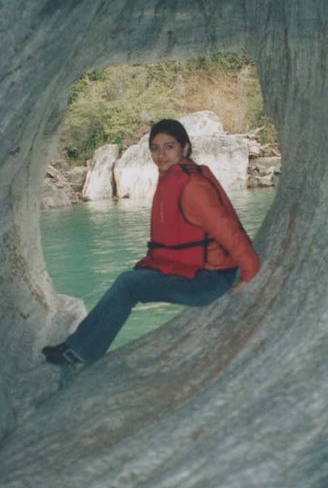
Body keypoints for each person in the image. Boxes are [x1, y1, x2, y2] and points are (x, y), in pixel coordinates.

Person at [42, 118, 261, 366]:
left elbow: (227, 230)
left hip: (209, 281)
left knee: (128, 285)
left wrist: (250, 271)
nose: (161, 155)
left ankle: (80, 351)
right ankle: (81, 345)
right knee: (133, 280)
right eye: (155, 148)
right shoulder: (176, 177)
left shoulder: (192, 187)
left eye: (169, 147)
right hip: (200, 274)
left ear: (185, 148)